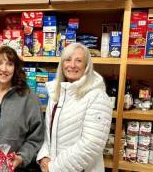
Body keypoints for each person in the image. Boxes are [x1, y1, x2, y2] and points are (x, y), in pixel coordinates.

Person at [37, 43, 113, 172]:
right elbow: (48, 134)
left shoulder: (97, 97)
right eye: (68, 60)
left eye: (78, 61)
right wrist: (43, 156)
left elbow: (91, 145)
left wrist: (54, 168)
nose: (72, 65)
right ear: (62, 64)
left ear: (86, 66)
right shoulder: (57, 93)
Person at [0, 46, 44, 171]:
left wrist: (21, 157)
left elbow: (36, 137)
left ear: (15, 68)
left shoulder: (28, 96)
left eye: (9, 64)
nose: (3, 69)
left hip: (14, 166)